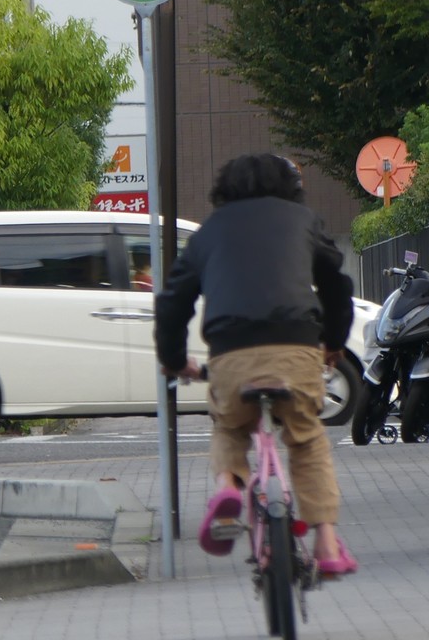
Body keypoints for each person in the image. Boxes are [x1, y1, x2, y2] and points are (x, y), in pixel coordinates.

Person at [155, 153, 358, 576]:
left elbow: (173, 302)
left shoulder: (209, 232)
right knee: (305, 439)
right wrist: (334, 342)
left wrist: (174, 361)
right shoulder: (304, 221)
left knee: (230, 424)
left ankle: (229, 486)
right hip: (297, 345)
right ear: (290, 187)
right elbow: (337, 286)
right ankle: (325, 542)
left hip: (232, 351)